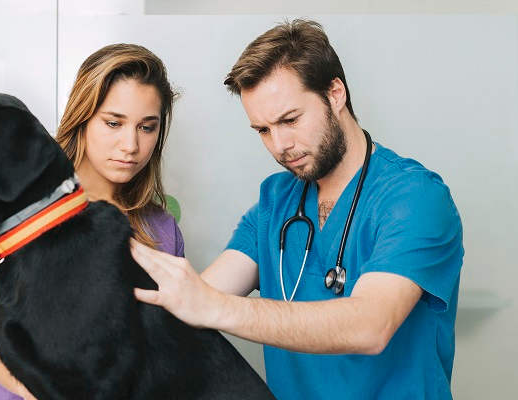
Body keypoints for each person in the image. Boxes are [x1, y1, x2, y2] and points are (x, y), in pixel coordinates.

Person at [130, 19, 463, 399]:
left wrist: (214, 308)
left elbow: (370, 326)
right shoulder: (276, 202)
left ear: (335, 93)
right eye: (263, 130)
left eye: (290, 120)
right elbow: (193, 299)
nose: (279, 145)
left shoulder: (414, 198)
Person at [0, 43, 183, 399]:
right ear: (82, 119)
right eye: (113, 123)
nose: (131, 145)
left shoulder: (162, 232)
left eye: (147, 127)